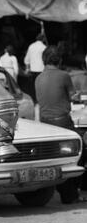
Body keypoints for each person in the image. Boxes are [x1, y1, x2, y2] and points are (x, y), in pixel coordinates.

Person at [35, 45, 85, 204]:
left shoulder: (38, 78)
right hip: (62, 122)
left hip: (45, 124)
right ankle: (72, 195)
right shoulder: (64, 75)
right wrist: (77, 95)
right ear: (60, 60)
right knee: (81, 151)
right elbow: (73, 96)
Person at [24, 33, 47, 103]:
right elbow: (46, 59)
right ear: (43, 39)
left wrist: (27, 68)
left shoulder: (31, 46)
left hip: (32, 70)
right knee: (41, 87)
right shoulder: (44, 47)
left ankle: (34, 102)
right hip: (41, 70)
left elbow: (26, 59)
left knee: (33, 87)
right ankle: (40, 101)